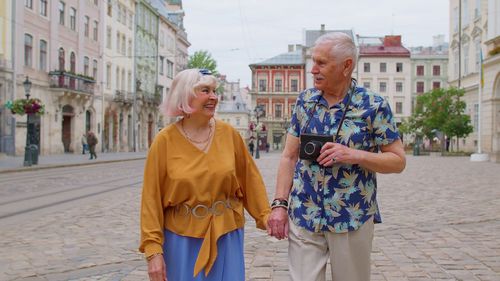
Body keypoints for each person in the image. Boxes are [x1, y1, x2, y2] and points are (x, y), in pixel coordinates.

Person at [267, 32, 406, 281]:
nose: (313, 70)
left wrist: (355, 155)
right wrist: (279, 205)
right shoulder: (305, 102)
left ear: (346, 66)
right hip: (305, 213)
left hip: (351, 216)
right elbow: (288, 157)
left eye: (321, 63)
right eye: (313, 61)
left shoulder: (373, 105)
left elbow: (397, 160)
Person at [139, 68, 271, 281]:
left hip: (226, 235)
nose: (213, 97)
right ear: (185, 96)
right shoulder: (164, 141)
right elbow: (151, 200)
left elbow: (250, 180)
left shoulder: (229, 135)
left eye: (214, 91)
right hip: (181, 240)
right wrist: (153, 250)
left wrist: (266, 216)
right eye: (205, 91)